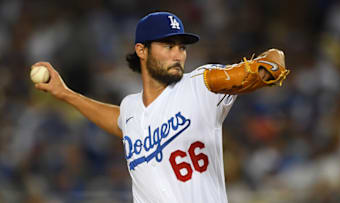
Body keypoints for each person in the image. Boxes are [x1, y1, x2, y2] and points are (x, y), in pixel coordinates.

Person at [32, 12, 289, 203]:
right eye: (168, 46)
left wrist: (270, 63)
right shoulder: (130, 108)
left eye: (181, 47)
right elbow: (122, 122)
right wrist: (66, 94)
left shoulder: (201, 84)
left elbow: (267, 62)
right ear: (141, 50)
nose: (178, 54)